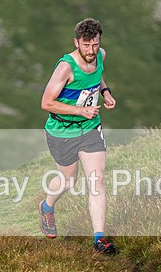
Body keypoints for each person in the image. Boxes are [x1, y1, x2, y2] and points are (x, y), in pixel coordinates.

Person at [39, 18, 117, 254]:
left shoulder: (100, 55)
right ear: (76, 42)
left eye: (94, 45)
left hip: (91, 128)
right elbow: (46, 103)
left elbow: (97, 75)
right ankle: (47, 207)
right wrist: (80, 110)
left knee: (97, 180)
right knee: (68, 180)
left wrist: (105, 92)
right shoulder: (66, 67)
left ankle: (99, 239)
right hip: (62, 131)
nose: (91, 51)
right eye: (86, 46)